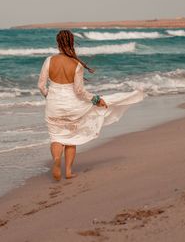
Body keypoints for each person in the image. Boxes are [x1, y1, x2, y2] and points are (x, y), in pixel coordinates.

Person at [37, 29, 144, 181]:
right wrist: (95, 100)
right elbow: (79, 91)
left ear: (57, 43)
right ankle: (67, 171)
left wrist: (49, 97)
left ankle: (56, 160)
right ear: (72, 42)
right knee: (71, 139)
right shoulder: (76, 64)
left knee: (56, 137)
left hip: (53, 105)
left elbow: (41, 85)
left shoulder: (49, 60)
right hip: (72, 106)